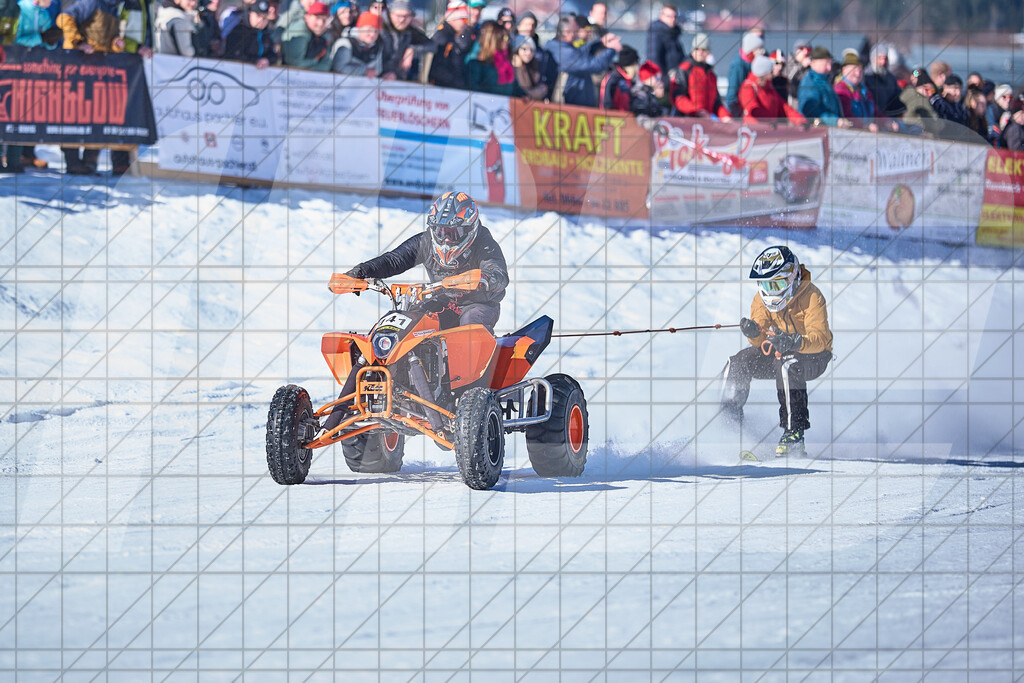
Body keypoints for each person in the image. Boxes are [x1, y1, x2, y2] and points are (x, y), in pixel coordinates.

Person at [322, 191, 509, 430]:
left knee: (471, 328)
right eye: (440, 231)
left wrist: (485, 279)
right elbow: (393, 260)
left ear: (469, 229)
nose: (445, 239)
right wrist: (360, 272)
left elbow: (499, 274)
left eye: (452, 233)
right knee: (404, 322)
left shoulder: (484, 243)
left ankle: (470, 397)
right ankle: (393, 384)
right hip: (440, 301)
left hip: (478, 304)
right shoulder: (426, 242)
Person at [720, 246, 833, 457]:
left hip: (814, 356)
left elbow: (820, 339)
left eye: (777, 284)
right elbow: (760, 338)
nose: (771, 291)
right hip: (780, 352)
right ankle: (729, 423)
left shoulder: (812, 296)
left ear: (792, 277)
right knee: (737, 361)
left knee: (788, 363)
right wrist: (753, 332)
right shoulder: (760, 299)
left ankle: (794, 433)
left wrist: (794, 341)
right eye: (766, 284)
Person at [543, 13, 620, 107]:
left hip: (576, 107)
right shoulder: (562, 52)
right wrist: (612, 50)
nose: (578, 34)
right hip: (570, 109)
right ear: (567, 32)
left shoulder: (562, 47)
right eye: (576, 31)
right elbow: (593, 66)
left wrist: (600, 43)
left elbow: (580, 53)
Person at [670, 33, 730, 120]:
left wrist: (725, 116)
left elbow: (716, 103)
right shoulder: (684, 69)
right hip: (686, 122)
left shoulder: (711, 75)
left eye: (704, 50)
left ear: (708, 52)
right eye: (697, 49)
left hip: (705, 123)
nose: (700, 52)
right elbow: (678, 98)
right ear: (692, 51)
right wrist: (697, 111)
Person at [833, 52, 898, 132]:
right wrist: (865, 126)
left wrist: (887, 122)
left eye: (860, 70)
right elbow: (847, 116)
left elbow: (875, 112)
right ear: (844, 70)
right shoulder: (841, 89)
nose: (857, 73)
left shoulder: (864, 90)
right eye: (854, 70)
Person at [738, 54, 805, 126]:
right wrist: (768, 122)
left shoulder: (769, 87)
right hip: (756, 130)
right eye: (771, 72)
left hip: (770, 130)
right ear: (764, 73)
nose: (773, 74)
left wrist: (800, 120)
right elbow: (753, 109)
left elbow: (783, 107)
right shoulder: (749, 87)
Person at [798, 46, 851, 128]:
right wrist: (835, 121)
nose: (829, 68)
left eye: (830, 63)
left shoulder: (826, 81)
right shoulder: (809, 83)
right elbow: (812, 111)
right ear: (814, 62)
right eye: (826, 64)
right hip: (816, 131)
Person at [427, 0, 472, 88]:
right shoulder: (442, 35)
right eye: (463, 19)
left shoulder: (457, 35)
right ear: (453, 19)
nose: (466, 23)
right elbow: (437, 66)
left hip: (452, 86)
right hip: (440, 86)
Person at [331, 9, 390, 76]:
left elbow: (378, 69)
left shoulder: (377, 46)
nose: (372, 34)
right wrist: (364, 71)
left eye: (376, 31)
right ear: (360, 28)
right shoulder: (346, 43)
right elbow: (338, 67)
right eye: (369, 30)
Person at [380, 0, 428, 80]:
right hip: (372, 78)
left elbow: (433, 45)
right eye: (398, 16)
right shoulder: (379, 28)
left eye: (406, 16)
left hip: (396, 79)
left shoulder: (410, 30)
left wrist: (412, 50)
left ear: (412, 17)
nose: (402, 20)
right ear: (390, 14)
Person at [223, 0, 279, 67]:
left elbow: (273, 55)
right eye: (258, 16)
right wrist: (255, 61)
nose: (261, 20)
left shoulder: (266, 34)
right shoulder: (239, 32)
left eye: (264, 17)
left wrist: (267, 60)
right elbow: (234, 56)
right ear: (250, 13)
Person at [465, 19, 513, 94]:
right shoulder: (476, 65)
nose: (508, 41)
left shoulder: (507, 65)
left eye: (508, 37)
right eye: (505, 37)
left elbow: (514, 88)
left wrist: (523, 95)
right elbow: (474, 90)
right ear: (493, 39)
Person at [283, 0, 332, 69]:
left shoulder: (325, 35)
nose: (320, 23)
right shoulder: (299, 31)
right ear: (307, 17)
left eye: (324, 20)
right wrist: (315, 60)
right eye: (317, 18)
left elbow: (326, 64)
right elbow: (294, 63)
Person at [725, 31, 764, 115]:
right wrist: (737, 116)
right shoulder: (738, 65)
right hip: (740, 113)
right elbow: (732, 95)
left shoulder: (752, 63)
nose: (761, 52)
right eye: (758, 49)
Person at [863, 42, 901, 117]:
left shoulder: (891, 78)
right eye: (879, 58)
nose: (883, 62)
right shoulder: (866, 78)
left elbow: (897, 97)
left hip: (890, 119)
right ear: (872, 59)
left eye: (885, 59)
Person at [645, 3, 682, 80]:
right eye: (669, 16)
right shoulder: (656, 31)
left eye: (675, 17)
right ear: (661, 16)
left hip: (675, 73)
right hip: (665, 76)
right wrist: (661, 78)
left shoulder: (673, 33)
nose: (673, 19)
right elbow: (653, 57)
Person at [599, 44, 637, 111]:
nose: (636, 69)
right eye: (634, 66)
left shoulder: (629, 80)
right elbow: (606, 104)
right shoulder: (612, 79)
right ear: (627, 66)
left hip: (627, 118)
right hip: (614, 118)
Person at [511, 34, 546, 101]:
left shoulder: (534, 65)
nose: (528, 53)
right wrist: (532, 93)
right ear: (516, 49)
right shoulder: (510, 67)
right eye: (524, 49)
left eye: (532, 50)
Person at [783, 39, 811, 107]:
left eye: (808, 50)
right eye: (801, 49)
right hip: (792, 99)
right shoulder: (789, 62)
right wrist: (802, 66)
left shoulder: (810, 67)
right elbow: (788, 77)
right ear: (796, 51)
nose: (805, 52)